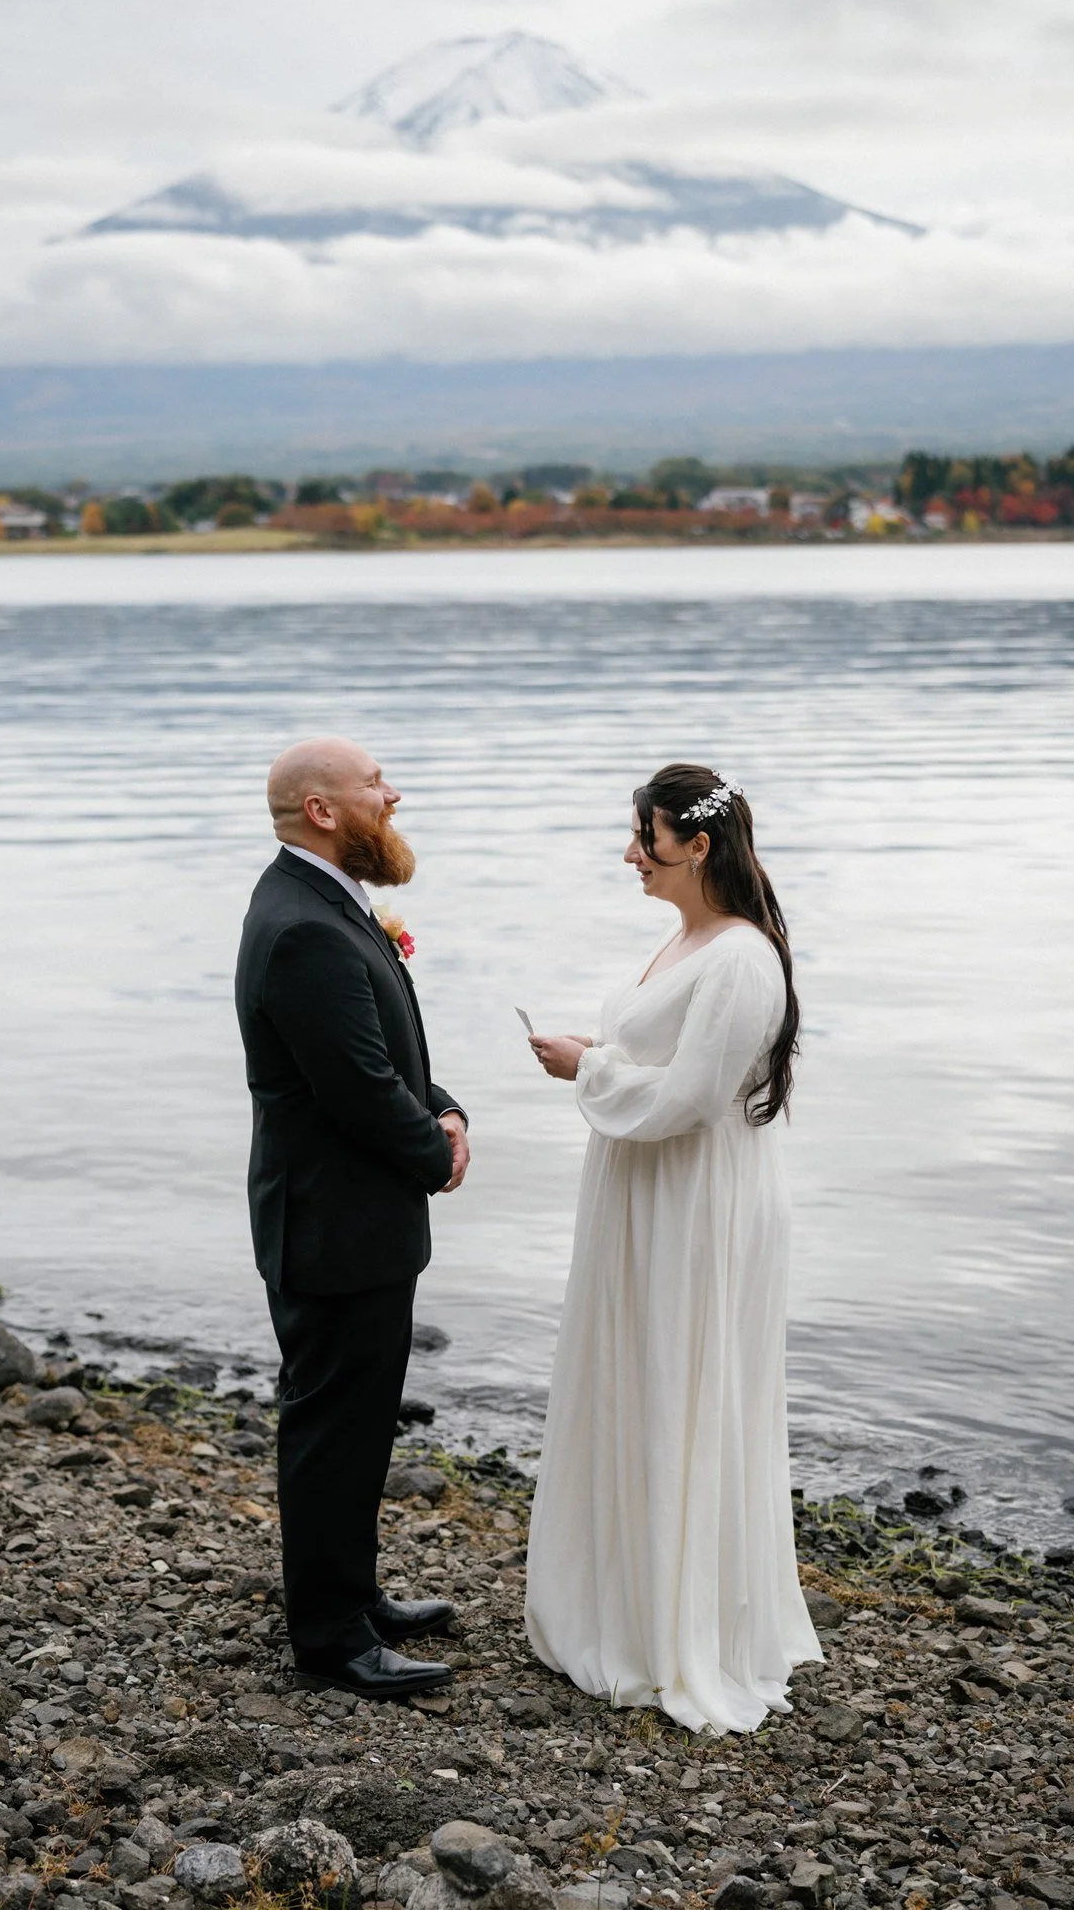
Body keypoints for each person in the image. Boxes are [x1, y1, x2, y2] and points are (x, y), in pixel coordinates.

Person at [523, 764, 822, 1733]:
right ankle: (623, 1601)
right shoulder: (685, 938)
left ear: (696, 845)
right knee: (633, 1382)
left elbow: (692, 1098)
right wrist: (600, 1058)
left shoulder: (742, 957)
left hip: (695, 1203)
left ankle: (679, 1630)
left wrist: (589, 1065)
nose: (629, 853)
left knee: (680, 1386)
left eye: (643, 837)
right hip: (645, 1190)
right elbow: (667, 1066)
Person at [235, 736, 470, 1699]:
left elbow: (382, 1049)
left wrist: (443, 1103)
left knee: (361, 1422)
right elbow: (359, 1088)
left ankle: (354, 1595)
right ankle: (331, 1640)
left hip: (350, 1221)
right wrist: (434, 1150)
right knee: (332, 1429)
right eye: (376, 784)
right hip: (333, 1227)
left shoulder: (325, 903)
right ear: (324, 810)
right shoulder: (301, 926)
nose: (394, 793)